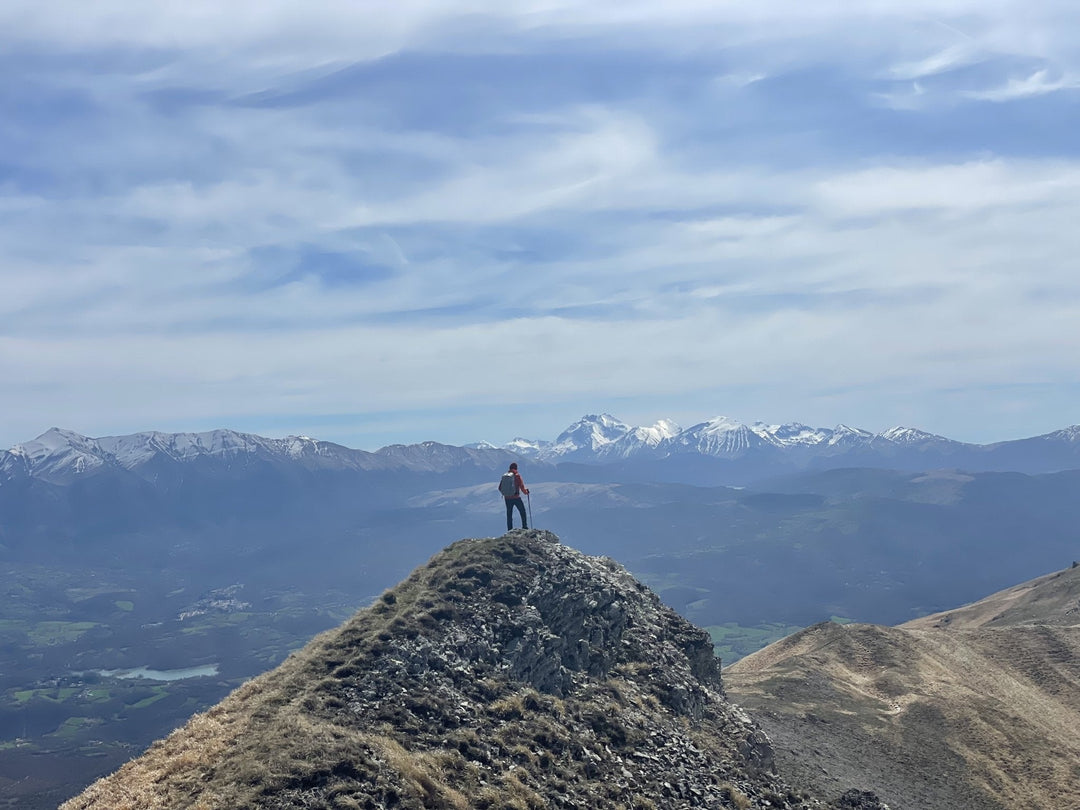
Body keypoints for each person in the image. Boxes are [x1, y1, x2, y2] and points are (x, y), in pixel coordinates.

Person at [501, 462, 529, 530]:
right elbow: (522, 487)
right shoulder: (517, 476)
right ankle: (524, 527)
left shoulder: (505, 476)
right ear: (516, 468)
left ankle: (509, 529)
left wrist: (506, 493)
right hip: (516, 497)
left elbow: (500, 487)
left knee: (509, 514)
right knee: (522, 511)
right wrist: (526, 492)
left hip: (507, 498)